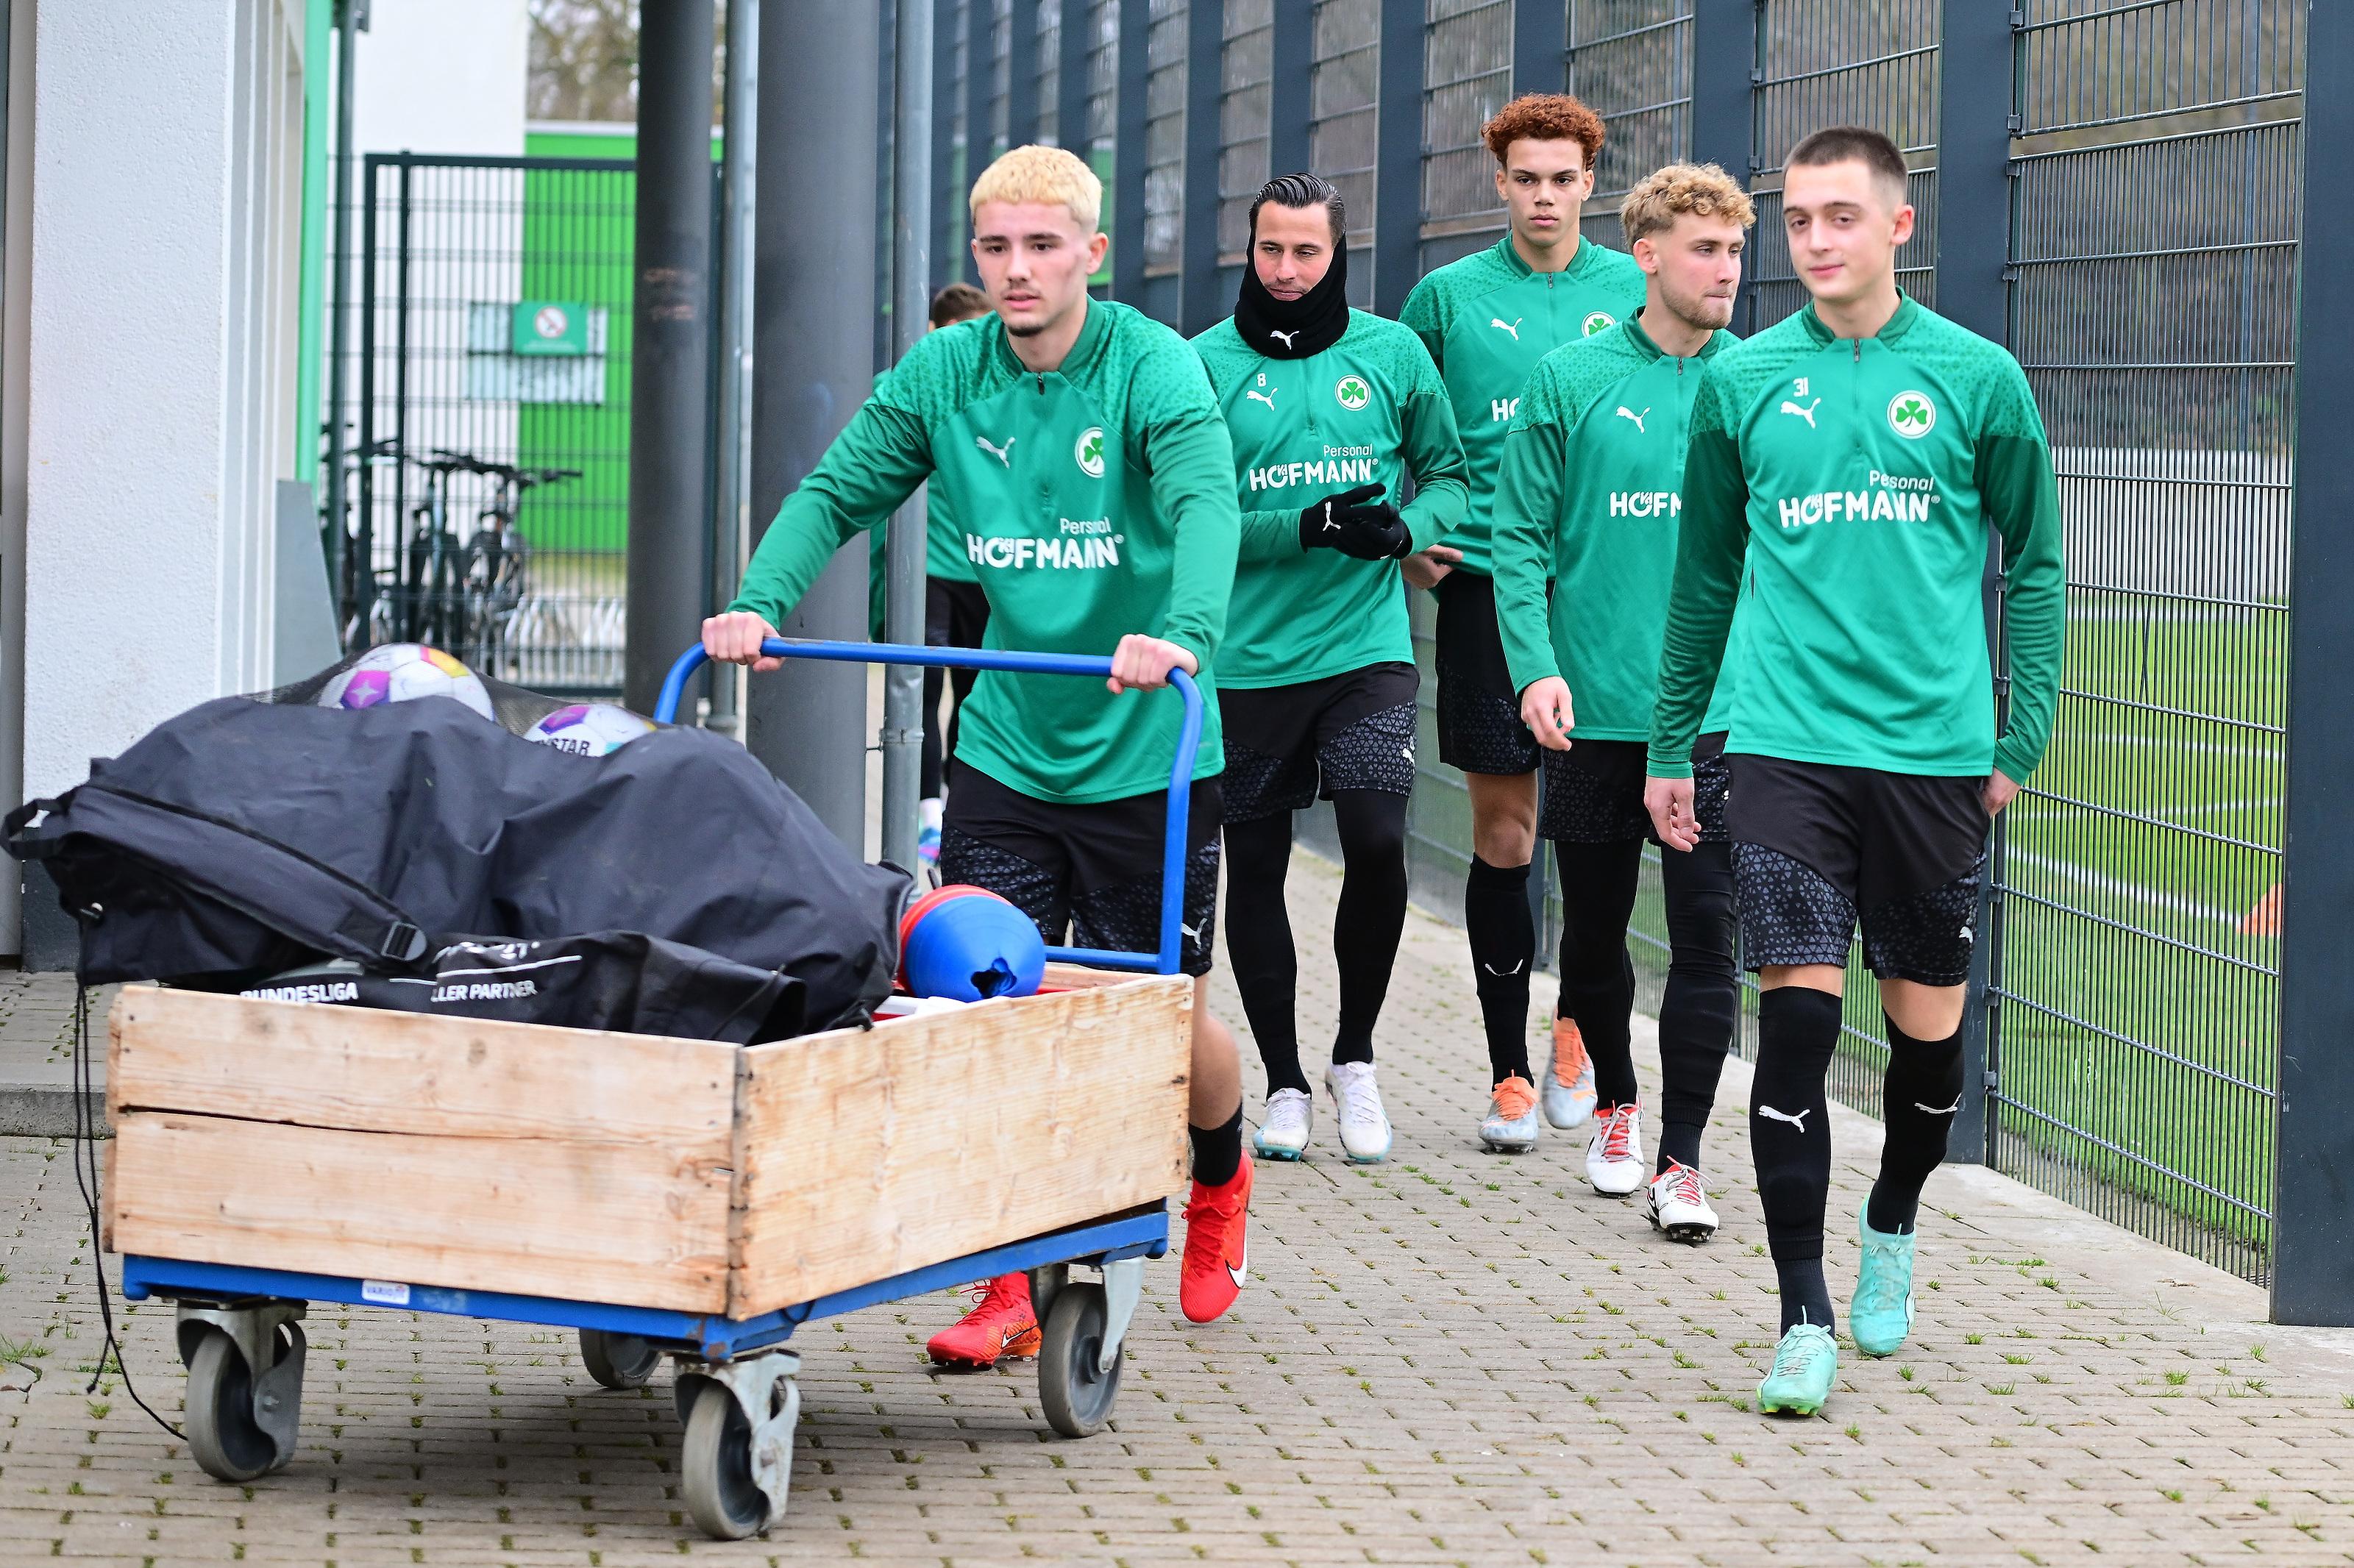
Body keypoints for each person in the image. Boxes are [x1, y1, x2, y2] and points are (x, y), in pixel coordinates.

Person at [703, 145, 1256, 1367]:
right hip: (1009, 744)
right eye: (997, 248)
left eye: (1043, 247)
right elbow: (839, 488)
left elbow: (1210, 503)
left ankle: (1217, 1177)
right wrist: (759, 601)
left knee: (1160, 1023)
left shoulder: (1151, 369)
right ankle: (1007, 1279)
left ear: (1092, 257)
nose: (1017, 269)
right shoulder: (948, 373)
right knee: (980, 999)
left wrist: (1180, 636)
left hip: (1149, 745)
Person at [1644, 126, 2063, 1416]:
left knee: (1927, 1053)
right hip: (1780, 747)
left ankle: (1894, 1217)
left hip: (1934, 761)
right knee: (1800, 1023)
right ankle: (1802, 1314)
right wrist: (1672, 743)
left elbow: (2037, 565)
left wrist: (2018, 740)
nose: (1815, 241)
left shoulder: (1978, 380)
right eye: (1799, 221)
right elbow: (1706, 575)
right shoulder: (1747, 382)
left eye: (1840, 217)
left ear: (1899, 226)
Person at [1491, 163, 1752, 1238]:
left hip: (1725, 720)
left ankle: (1682, 1162)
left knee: (1710, 936)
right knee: (1595, 938)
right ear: (1647, 256)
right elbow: (1516, 539)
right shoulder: (1570, 379)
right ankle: (1616, 1105)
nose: (1727, 269)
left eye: (1737, 250)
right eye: (1706, 249)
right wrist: (1535, 664)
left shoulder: (1764, 378)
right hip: (1594, 714)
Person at [1192, 174, 1468, 1164]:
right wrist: (1303, 527)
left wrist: (1406, 530)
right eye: (1272, 250)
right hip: (1249, 661)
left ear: (1338, 254)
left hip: (1365, 650)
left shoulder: (1392, 352)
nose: (1288, 270)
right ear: (1250, 248)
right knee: (1254, 867)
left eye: (1307, 252)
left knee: (1376, 829)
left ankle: (1355, 1057)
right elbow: (1196, 521)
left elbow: (1449, 476)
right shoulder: (1204, 367)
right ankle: (1284, 1083)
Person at [1399, 94, 1646, 1154]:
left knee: (1591, 838)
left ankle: (1577, 1039)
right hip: (1488, 593)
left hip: (1600, 603)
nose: (1544, 196)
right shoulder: (1446, 299)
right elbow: (1389, 420)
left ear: (1592, 181)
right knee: (1505, 831)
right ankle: (1506, 1072)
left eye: (1564, 178)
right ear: (1497, 181)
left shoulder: (1638, 289)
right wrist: (1413, 530)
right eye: (1525, 178)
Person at [867, 282, 995, 868]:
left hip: (983, 575)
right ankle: (929, 813)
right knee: (925, 692)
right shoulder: (910, 391)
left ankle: (950, 812)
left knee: (965, 695)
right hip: (934, 572)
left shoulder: (1001, 393)